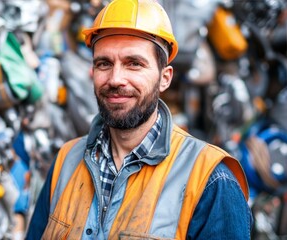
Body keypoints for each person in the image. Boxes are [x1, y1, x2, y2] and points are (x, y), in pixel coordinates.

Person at [26, 0, 253, 239]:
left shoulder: (210, 180)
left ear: (164, 78)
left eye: (134, 64)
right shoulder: (66, 160)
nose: (115, 79)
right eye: (104, 63)